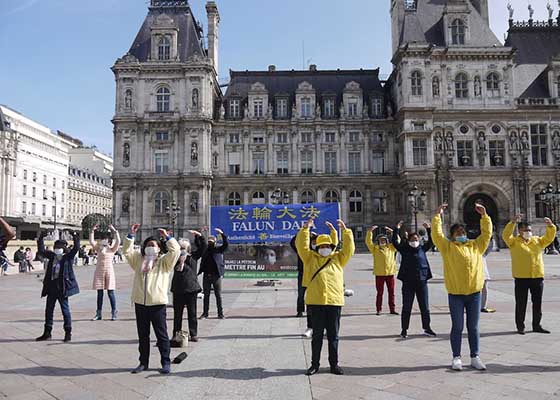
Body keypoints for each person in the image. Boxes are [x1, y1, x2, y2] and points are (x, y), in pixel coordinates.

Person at [431, 203, 491, 371]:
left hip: (474, 293)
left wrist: (484, 217)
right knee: (457, 326)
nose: (461, 235)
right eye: (457, 233)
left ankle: (475, 356)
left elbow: (486, 235)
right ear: (452, 236)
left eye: (463, 232)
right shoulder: (447, 247)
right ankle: (456, 357)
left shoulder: (476, 246)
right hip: (456, 293)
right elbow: (436, 235)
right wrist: (437, 215)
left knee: (473, 327)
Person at [296, 218, 355, 376]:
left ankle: (334, 364)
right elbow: (301, 246)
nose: (324, 248)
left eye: (327, 246)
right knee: (316, 337)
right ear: (317, 247)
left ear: (331, 247)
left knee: (333, 336)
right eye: (321, 246)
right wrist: (305, 229)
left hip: (334, 302)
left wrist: (346, 231)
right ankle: (314, 364)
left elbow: (349, 249)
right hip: (316, 302)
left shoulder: (338, 259)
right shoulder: (309, 259)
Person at [123, 224, 180, 375]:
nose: (150, 248)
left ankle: (165, 362)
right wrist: (130, 235)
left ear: (159, 249)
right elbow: (127, 251)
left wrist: (167, 237)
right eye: (148, 245)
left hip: (157, 303)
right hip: (140, 302)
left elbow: (176, 251)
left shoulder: (164, 262)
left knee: (162, 335)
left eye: (153, 246)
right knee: (143, 335)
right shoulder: (138, 261)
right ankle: (143, 362)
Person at [502, 214, 556, 335]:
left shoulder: (537, 241)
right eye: (525, 230)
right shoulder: (514, 242)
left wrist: (550, 226)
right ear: (520, 231)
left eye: (530, 230)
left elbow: (549, 238)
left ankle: (537, 325)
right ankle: (520, 326)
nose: (528, 232)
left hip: (537, 276)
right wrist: (512, 222)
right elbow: (505, 235)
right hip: (521, 277)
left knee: (537, 303)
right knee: (521, 303)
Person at [291, 222, 338, 338]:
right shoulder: (305, 252)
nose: (313, 243)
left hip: (318, 279)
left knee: (323, 304)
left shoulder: (321, 252)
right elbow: (295, 243)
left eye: (315, 242)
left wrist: (333, 232)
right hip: (305, 275)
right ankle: (306, 320)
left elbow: (333, 245)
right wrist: (305, 230)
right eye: (311, 241)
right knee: (305, 298)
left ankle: (326, 328)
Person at [392, 221, 436, 339]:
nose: (414, 241)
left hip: (422, 282)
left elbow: (431, 241)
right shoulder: (405, 249)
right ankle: (404, 329)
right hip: (408, 283)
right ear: (409, 240)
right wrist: (397, 229)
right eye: (412, 239)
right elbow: (395, 243)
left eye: (416, 239)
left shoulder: (422, 248)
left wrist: (429, 229)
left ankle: (427, 328)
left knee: (425, 307)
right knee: (407, 307)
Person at [35, 230, 80, 343]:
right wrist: (41, 238)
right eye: (56, 246)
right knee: (49, 310)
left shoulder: (67, 258)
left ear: (64, 248)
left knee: (65, 310)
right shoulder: (52, 256)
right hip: (51, 287)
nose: (57, 248)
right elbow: (41, 251)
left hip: (62, 287)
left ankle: (68, 332)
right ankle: (47, 332)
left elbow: (76, 249)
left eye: (59, 247)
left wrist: (74, 236)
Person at [171, 231, 206, 345]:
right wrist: (166, 238)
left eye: (185, 247)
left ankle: (193, 334)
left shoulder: (193, 257)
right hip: (178, 288)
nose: (183, 249)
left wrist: (199, 236)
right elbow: (165, 250)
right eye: (181, 247)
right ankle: (176, 334)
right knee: (177, 314)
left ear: (189, 248)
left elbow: (203, 247)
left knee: (192, 313)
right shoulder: (174, 258)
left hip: (191, 288)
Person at [90, 224, 121, 321]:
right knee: (100, 293)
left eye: (105, 239)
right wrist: (92, 231)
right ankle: (98, 313)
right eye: (102, 239)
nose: (104, 240)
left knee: (110, 292)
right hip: (99, 271)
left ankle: (114, 312)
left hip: (109, 271)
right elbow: (91, 242)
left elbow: (118, 241)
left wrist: (114, 231)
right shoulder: (99, 248)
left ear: (109, 240)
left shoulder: (112, 249)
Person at [366, 226, 398, 316]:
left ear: (387, 241)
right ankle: (378, 309)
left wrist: (393, 232)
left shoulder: (391, 248)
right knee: (380, 293)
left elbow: (397, 241)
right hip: (379, 274)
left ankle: (392, 309)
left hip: (390, 274)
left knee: (391, 292)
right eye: (381, 240)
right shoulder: (375, 249)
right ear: (378, 241)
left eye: (384, 240)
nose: (382, 242)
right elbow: (368, 242)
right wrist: (369, 232)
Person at [198, 228, 228, 319]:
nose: (210, 242)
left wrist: (222, 234)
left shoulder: (218, 250)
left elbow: (225, 245)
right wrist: (200, 234)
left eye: (212, 241)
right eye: (209, 241)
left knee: (218, 295)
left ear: (215, 242)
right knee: (206, 295)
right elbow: (200, 244)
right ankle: (205, 313)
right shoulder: (205, 250)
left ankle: (220, 313)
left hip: (216, 276)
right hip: (206, 275)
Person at [481, 240, 496, 313]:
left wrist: (490, 238)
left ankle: (482, 306)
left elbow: (489, 247)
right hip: (473, 275)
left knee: (484, 290)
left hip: (483, 274)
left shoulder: (482, 253)